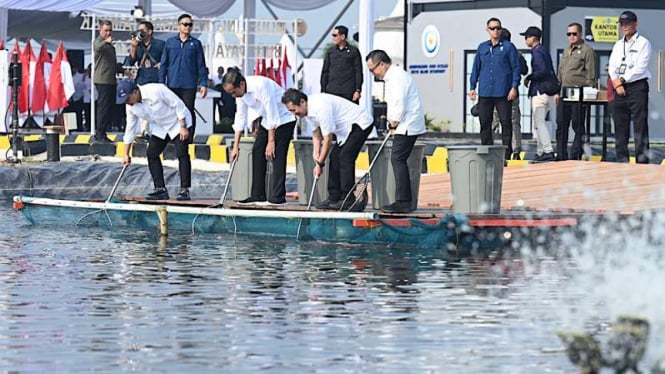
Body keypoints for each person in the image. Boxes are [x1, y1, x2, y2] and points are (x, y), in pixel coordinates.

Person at [281, 89, 374, 211]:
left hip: (361, 122)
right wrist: (316, 155)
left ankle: (348, 198)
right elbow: (316, 134)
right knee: (334, 156)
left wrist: (320, 164)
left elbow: (328, 139)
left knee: (345, 157)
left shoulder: (320, 107)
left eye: (294, 110)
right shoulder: (307, 112)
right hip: (345, 129)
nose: (295, 114)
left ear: (302, 102)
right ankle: (334, 197)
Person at [222, 70, 296, 205]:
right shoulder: (240, 95)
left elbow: (272, 111)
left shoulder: (261, 85)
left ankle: (278, 197)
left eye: (233, 92)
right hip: (267, 120)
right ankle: (258, 195)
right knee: (257, 150)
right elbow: (240, 117)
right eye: (230, 93)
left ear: (242, 84)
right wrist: (236, 147)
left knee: (277, 154)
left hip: (284, 118)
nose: (233, 96)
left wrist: (271, 141)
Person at [366, 49, 426, 214]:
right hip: (405, 124)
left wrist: (393, 123)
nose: (373, 73)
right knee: (398, 159)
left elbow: (399, 102)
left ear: (382, 64)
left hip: (406, 124)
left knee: (397, 159)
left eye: (373, 69)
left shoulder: (397, 77)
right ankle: (404, 200)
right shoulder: (393, 76)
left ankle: (403, 201)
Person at [119, 80, 193, 201]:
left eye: (128, 99)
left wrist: (183, 127)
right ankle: (160, 188)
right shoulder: (130, 107)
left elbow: (178, 104)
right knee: (151, 153)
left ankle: (184, 189)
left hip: (178, 122)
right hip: (161, 126)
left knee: (181, 152)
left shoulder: (156, 90)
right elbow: (130, 129)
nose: (127, 103)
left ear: (135, 91)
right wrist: (126, 154)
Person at [469, 18, 520, 160]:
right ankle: (487, 150)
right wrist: (472, 86)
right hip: (485, 92)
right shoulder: (482, 48)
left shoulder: (509, 47)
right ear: (487, 30)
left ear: (501, 29)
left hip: (503, 91)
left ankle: (507, 153)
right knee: (485, 122)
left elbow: (516, 68)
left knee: (506, 123)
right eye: (492, 28)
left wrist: (514, 87)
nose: (495, 31)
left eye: (497, 28)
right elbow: (476, 69)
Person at [608, 10, 651, 164]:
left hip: (637, 87)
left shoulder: (643, 43)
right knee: (620, 125)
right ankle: (622, 160)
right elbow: (612, 65)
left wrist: (621, 80)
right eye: (622, 24)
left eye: (627, 23)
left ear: (635, 24)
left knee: (640, 125)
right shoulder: (618, 44)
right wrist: (615, 82)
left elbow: (640, 67)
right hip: (619, 87)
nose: (624, 26)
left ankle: (642, 162)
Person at [160, 13, 209, 140]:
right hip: (173, 83)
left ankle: (189, 137)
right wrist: (161, 83)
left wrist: (203, 83)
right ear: (179, 26)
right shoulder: (170, 43)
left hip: (189, 84)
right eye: (185, 24)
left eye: (190, 25)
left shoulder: (196, 43)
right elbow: (164, 64)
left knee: (188, 110)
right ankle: (172, 137)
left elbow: (201, 65)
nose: (188, 27)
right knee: (172, 111)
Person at [555, 22, 596, 161]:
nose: (571, 36)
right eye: (569, 34)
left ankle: (575, 155)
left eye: (574, 33)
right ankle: (561, 155)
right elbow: (560, 73)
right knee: (561, 124)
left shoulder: (586, 50)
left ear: (580, 34)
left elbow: (591, 75)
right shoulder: (566, 51)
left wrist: (588, 92)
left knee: (577, 125)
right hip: (564, 92)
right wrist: (557, 91)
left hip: (578, 92)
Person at [125, 20, 165, 140]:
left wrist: (161, 64)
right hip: (142, 78)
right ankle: (145, 132)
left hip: (155, 78)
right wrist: (133, 48)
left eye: (143, 31)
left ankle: (159, 133)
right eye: (139, 31)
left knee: (157, 106)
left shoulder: (160, 44)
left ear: (150, 32)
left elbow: (167, 59)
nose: (140, 33)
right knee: (142, 105)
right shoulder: (138, 45)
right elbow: (129, 62)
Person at [491, 27, 527, 160]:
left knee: (493, 121)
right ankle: (516, 151)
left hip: (496, 93)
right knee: (513, 121)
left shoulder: (494, 52)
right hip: (512, 92)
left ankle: (489, 148)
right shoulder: (516, 54)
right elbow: (524, 69)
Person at [521, 26, 556, 162]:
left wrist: (529, 77)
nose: (525, 40)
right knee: (538, 123)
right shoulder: (544, 51)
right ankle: (541, 151)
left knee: (539, 122)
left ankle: (548, 150)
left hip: (540, 90)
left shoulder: (537, 52)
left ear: (533, 38)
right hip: (548, 92)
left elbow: (543, 71)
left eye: (526, 37)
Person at [320, 25, 363, 104]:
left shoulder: (353, 51)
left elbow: (358, 72)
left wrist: (358, 90)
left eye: (335, 35)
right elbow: (325, 72)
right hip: (332, 90)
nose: (333, 38)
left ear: (343, 36)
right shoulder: (330, 52)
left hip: (348, 91)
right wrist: (323, 90)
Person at [93, 19, 117, 143]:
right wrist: (105, 42)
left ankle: (104, 131)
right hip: (102, 79)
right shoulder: (99, 42)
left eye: (110, 30)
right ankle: (99, 133)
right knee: (103, 107)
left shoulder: (110, 46)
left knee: (109, 107)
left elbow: (112, 63)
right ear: (100, 30)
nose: (108, 33)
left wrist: (123, 70)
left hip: (111, 79)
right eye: (106, 30)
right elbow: (97, 48)